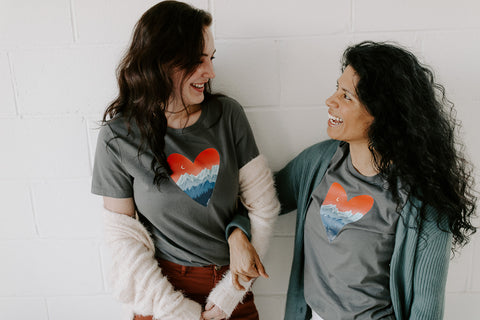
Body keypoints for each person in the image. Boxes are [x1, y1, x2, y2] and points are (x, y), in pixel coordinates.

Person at [229, 41, 477, 320]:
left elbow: (426, 308)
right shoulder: (318, 162)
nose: (330, 101)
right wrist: (237, 234)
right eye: (337, 88)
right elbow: (254, 199)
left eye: (346, 96)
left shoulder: (425, 200)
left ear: (381, 114)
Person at [91, 1, 279, 319]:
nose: (211, 72)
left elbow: (263, 206)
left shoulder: (228, 115)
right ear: (161, 62)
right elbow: (123, 239)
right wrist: (175, 309)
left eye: (211, 58)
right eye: (197, 60)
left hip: (232, 281)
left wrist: (229, 294)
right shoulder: (117, 137)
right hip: (160, 292)